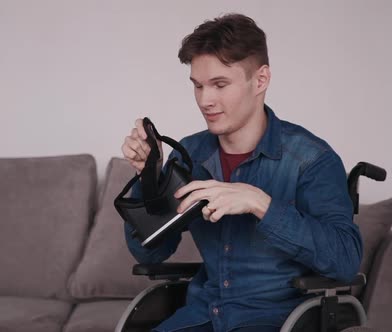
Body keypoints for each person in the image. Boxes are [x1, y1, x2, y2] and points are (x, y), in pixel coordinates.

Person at [121, 13, 362, 332]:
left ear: (260, 80)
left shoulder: (311, 160)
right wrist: (147, 179)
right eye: (198, 86)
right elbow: (150, 254)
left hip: (279, 320)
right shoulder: (191, 154)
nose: (205, 100)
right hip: (203, 316)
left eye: (220, 84)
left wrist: (261, 204)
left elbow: (346, 261)